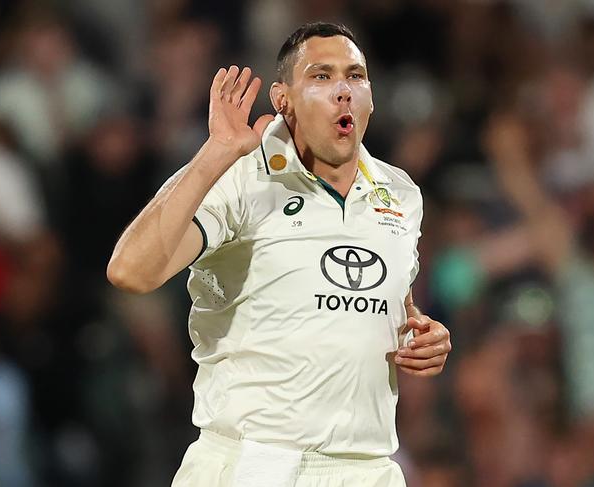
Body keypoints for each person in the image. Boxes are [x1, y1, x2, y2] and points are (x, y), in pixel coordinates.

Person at [107, 22, 451, 487]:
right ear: (282, 98)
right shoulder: (241, 177)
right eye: (321, 77)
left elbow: (371, 305)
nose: (344, 90)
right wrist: (215, 153)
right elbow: (131, 271)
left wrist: (422, 339)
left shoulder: (400, 193)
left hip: (368, 468)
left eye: (355, 75)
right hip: (256, 465)